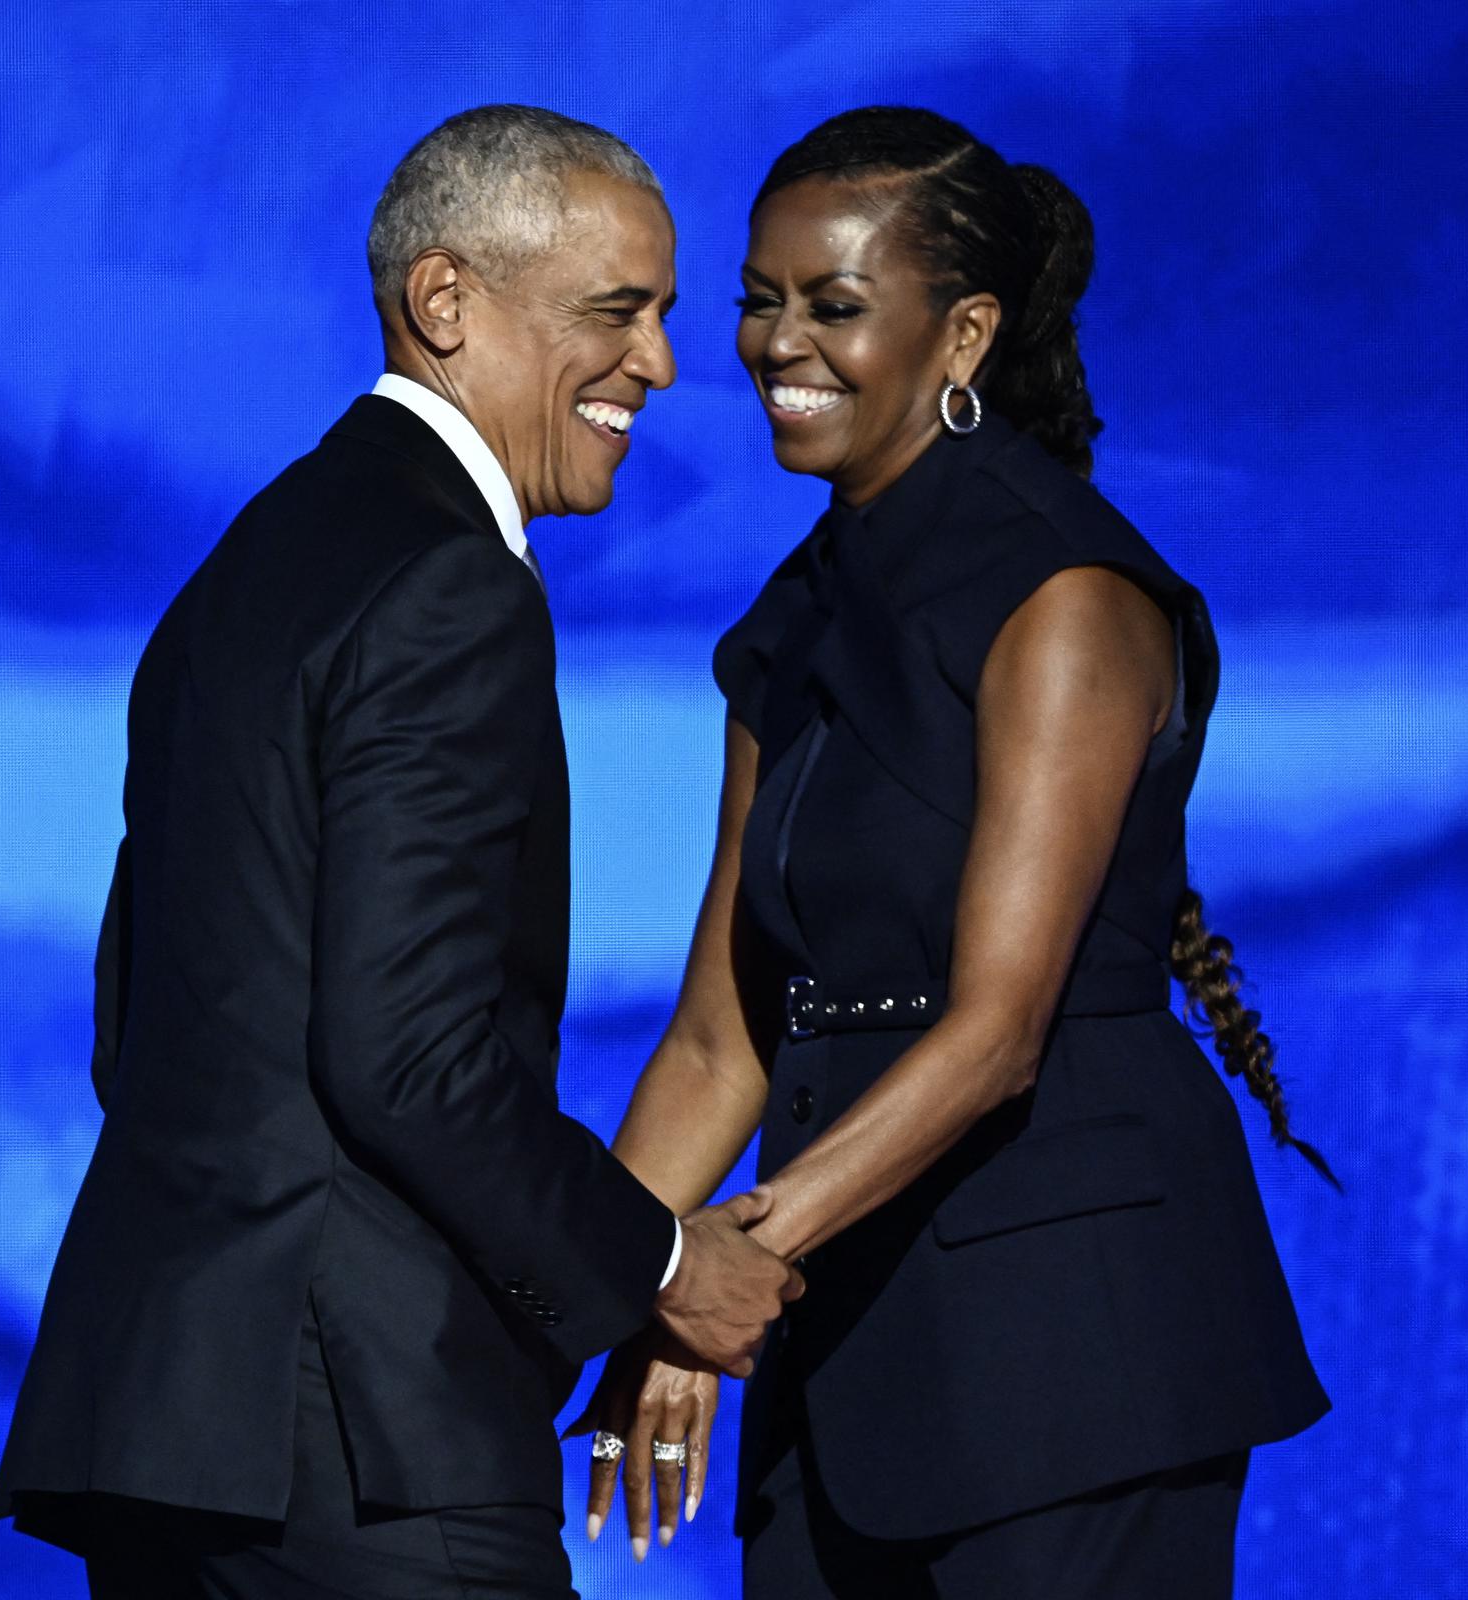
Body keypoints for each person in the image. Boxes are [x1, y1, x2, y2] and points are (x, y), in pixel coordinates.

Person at [0, 104, 803, 1599]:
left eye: (670, 314)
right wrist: (670, 1269)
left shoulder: (248, 563)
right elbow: (408, 1060)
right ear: (448, 304)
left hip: (165, 1426)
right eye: (616, 314)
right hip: (360, 1445)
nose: (665, 366)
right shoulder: (450, 587)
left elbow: (143, 1020)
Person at [570, 106, 1333, 1598]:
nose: (776, 344)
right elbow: (720, 1043)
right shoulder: (787, 627)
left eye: (834, 307)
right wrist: (605, 1295)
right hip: (846, 1337)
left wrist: (708, 1274)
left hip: (1077, 1361)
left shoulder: (1066, 594)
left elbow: (996, 1034)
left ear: (964, 334)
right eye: (759, 299)